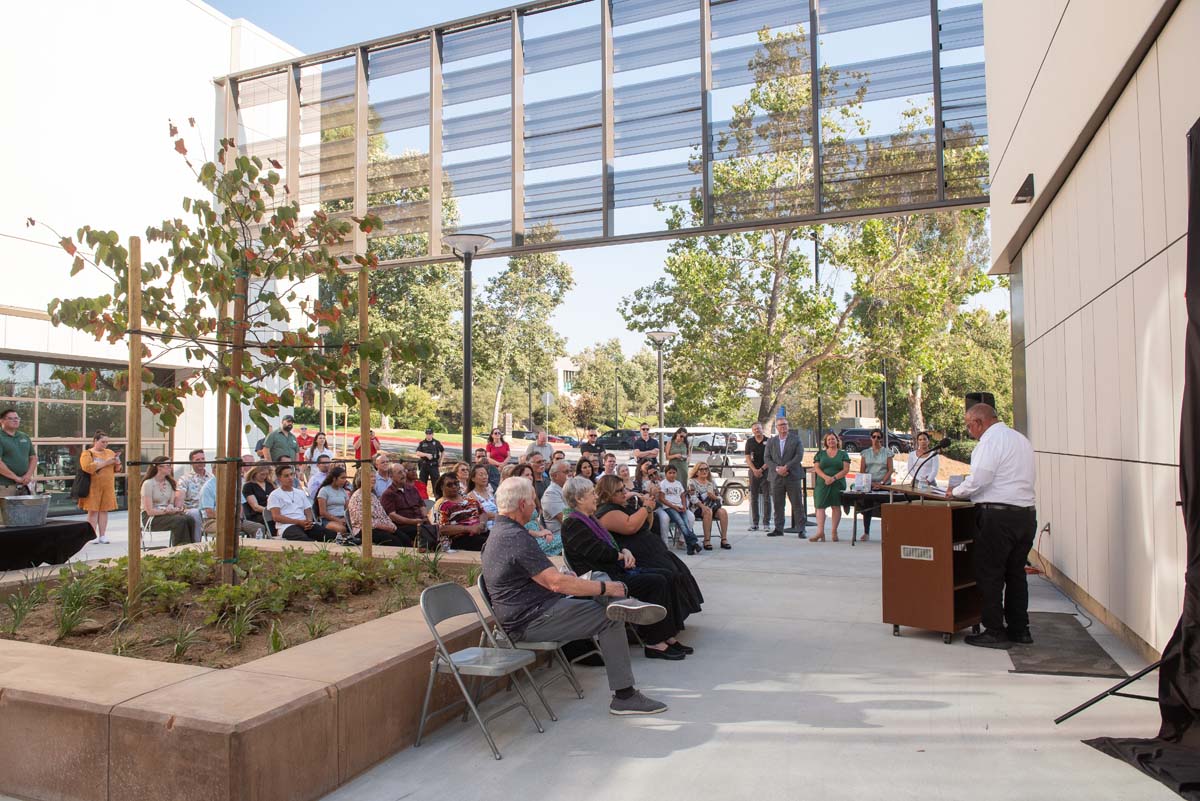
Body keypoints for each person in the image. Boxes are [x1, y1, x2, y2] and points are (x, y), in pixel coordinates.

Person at [480, 477, 672, 715]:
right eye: (532, 500)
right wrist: (605, 589)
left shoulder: (504, 533)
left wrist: (578, 579)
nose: (535, 505)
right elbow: (556, 583)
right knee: (611, 616)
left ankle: (623, 604)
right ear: (522, 504)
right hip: (530, 620)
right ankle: (625, 696)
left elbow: (538, 577)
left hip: (537, 609)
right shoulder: (515, 538)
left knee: (599, 579)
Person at [561, 477, 692, 660]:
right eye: (591, 494)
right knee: (657, 582)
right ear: (579, 498)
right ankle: (654, 642)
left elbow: (611, 545)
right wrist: (621, 555)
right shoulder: (572, 523)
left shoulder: (589, 519)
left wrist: (624, 550)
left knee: (668, 575)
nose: (595, 497)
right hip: (604, 580)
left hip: (614, 571)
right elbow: (598, 552)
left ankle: (666, 635)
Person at [950, 404, 1038, 649]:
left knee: (990, 574)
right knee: (1016, 573)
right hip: (1025, 515)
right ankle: (1020, 629)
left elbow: (979, 479)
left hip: (997, 518)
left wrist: (955, 492)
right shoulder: (1021, 440)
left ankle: (994, 630)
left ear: (979, 422)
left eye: (969, 425)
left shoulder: (989, 442)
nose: (969, 431)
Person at [593, 474, 704, 622]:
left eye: (623, 488)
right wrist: (645, 508)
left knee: (677, 574)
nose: (624, 492)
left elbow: (646, 525)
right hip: (639, 555)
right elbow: (630, 526)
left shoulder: (623, 506)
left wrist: (649, 508)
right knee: (668, 576)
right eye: (619, 490)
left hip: (652, 549)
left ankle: (675, 619)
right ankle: (666, 623)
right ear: (608, 493)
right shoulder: (606, 512)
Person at [268, 464, 338, 542]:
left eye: (291, 474)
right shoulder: (275, 495)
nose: (290, 478)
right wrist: (298, 522)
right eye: (286, 476)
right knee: (305, 540)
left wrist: (309, 521)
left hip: (304, 524)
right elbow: (276, 517)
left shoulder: (300, 493)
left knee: (331, 535)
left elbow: (308, 510)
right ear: (279, 478)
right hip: (287, 526)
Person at [765, 417, 807, 538]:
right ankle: (778, 529)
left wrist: (786, 467)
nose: (783, 426)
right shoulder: (771, 441)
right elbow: (767, 458)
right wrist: (777, 468)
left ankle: (801, 529)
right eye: (780, 425)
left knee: (797, 504)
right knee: (778, 504)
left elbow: (799, 456)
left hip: (792, 476)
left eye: (785, 424)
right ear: (777, 427)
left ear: (788, 426)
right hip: (776, 477)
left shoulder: (796, 439)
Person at [381, 464, 438, 549]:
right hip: (404, 526)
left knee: (438, 529)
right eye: (399, 472)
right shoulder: (388, 494)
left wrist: (425, 518)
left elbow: (422, 505)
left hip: (420, 523)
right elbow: (392, 516)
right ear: (391, 476)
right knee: (426, 533)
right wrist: (413, 521)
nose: (403, 474)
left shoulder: (412, 489)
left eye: (404, 471)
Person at [142, 456, 196, 546]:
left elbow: (171, 503)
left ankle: (191, 546)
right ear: (159, 467)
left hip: (167, 514)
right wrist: (166, 511)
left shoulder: (170, 483)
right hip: (152, 517)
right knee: (179, 520)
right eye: (168, 465)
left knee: (189, 519)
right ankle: (180, 548)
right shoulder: (148, 484)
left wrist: (174, 508)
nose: (171, 467)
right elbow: (149, 511)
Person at [78, 431, 119, 543]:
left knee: (104, 510)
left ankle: (103, 535)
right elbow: (87, 468)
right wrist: (105, 463)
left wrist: (117, 463)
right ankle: (92, 535)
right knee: (93, 511)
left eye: (106, 442)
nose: (105, 444)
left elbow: (117, 469)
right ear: (95, 441)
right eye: (102, 442)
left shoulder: (109, 452)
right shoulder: (87, 453)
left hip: (107, 486)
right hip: (93, 486)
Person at [346, 472, 409, 546]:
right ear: (361, 480)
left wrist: (393, 527)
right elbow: (362, 521)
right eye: (371, 477)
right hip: (365, 530)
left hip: (382, 528)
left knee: (405, 538)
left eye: (374, 477)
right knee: (394, 541)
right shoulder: (357, 497)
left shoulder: (373, 496)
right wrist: (385, 527)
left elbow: (384, 515)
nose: (374, 479)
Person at [810, 432, 850, 542]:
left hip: (837, 483)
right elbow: (817, 468)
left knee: (835, 506)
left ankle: (834, 531)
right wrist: (826, 477)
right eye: (828, 440)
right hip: (822, 483)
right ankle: (820, 532)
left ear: (837, 440)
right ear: (826, 442)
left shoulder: (843, 454)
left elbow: (846, 469)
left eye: (833, 439)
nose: (831, 441)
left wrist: (834, 478)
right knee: (820, 506)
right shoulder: (820, 454)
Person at [858, 428, 895, 542]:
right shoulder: (865, 453)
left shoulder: (887, 452)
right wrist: (870, 483)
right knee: (867, 508)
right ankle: (866, 532)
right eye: (874, 436)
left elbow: (890, 469)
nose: (876, 439)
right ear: (870, 438)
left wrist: (882, 483)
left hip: (884, 484)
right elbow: (862, 470)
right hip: (869, 484)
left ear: (881, 439)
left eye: (878, 437)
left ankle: (887, 533)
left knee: (885, 510)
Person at [435, 471, 489, 550]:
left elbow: (482, 512)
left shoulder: (469, 499)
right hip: (460, 538)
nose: (454, 486)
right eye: (449, 485)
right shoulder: (441, 505)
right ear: (442, 487)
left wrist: (482, 524)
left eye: (456, 483)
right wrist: (469, 528)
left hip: (479, 533)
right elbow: (441, 529)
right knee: (491, 544)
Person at [657, 464, 699, 553]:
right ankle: (693, 542)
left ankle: (690, 546)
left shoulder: (678, 483)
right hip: (669, 508)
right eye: (670, 473)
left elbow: (682, 495)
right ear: (666, 474)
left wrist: (684, 506)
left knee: (686, 523)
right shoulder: (663, 483)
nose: (672, 475)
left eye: (674, 473)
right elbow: (661, 498)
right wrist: (673, 506)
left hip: (680, 507)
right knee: (681, 523)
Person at [688, 463, 730, 550]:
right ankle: (707, 540)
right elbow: (692, 498)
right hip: (697, 507)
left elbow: (719, 497)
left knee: (723, 512)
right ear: (696, 472)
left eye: (706, 469)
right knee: (708, 511)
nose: (704, 471)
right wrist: (703, 506)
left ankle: (724, 539)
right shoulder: (692, 482)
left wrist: (713, 496)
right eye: (701, 469)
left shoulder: (711, 482)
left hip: (712, 506)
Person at [0, 408, 36, 496]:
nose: (15, 420)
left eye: (17, 418)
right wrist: (16, 478)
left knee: (27, 505)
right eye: (11, 418)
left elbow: (33, 458)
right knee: (5, 506)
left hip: (25, 485)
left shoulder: (24, 436)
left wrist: (28, 475)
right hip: (4, 486)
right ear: (2, 421)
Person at [744, 421, 772, 532]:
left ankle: (766, 523)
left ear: (762, 429)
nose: (757, 430)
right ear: (752, 431)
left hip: (766, 472)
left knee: (767, 498)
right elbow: (747, 457)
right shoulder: (749, 442)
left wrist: (761, 469)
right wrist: (754, 470)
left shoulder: (769, 441)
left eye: (758, 428)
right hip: (753, 472)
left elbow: (771, 458)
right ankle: (755, 523)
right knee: (753, 498)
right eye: (755, 429)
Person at [178, 448, 211, 536]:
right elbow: (180, 498)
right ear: (191, 462)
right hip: (192, 511)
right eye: (197, 460)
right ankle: (196, 543)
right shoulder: (185, 479)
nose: (201, 462)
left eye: (203, 459)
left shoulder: (211, 478)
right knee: (195, 513)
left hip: (209, 511)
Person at [242, 463, 276, 535]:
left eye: (266, 474)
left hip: (272, 511)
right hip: (258, 515)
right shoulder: (248, 486)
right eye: (262, 474)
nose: (264, 476)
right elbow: (255, 507)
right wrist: (271, 512)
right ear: (255, 472)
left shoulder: (270, 484)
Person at [541, 459, 572, 535]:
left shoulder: (569, 489)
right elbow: (566, 520)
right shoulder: (551, 494)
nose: (570, 474)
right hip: (561, 535)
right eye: (566, 472)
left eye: (570, 471)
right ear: (555, 476)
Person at [316, 466, 351, 534]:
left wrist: (345, 519)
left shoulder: (343, 491)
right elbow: (322, 512)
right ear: (334, 478)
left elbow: (347, 509)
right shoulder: (324, 490)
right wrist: (338, 520)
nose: (344, 480)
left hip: (343, 519)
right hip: (328, 520)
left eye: (345, 478)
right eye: (342, 478)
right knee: (341, 529)